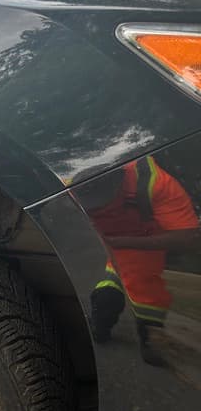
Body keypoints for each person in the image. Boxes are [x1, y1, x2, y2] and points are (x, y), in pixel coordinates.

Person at [85, 156, 200, 364]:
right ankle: (100, 324)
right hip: (116, 249)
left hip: (147, 247)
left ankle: (150, 340)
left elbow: (188, 238)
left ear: (120, 179)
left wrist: (123, 242)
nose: (98, 209)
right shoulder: (68, 183)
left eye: (103, 201)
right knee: (106, 297)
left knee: (147, 297)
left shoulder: (156, 184)